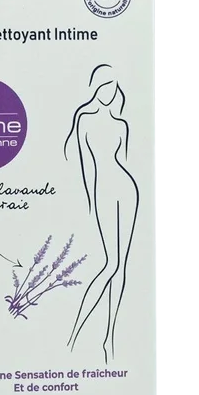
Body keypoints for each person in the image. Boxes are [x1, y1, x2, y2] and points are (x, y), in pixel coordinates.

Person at [64, 64, 139, 363]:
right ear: (96, 87)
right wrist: (91, 201)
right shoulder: (84, 119)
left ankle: (109, 338)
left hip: (127, 189)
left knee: (122, 266)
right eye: (104, 86)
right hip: (103, 192)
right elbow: (87, 167)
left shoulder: (122, 125)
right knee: (111, 263)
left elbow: (123, 161)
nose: (109, 92)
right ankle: (74, 334)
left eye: (113, 87)